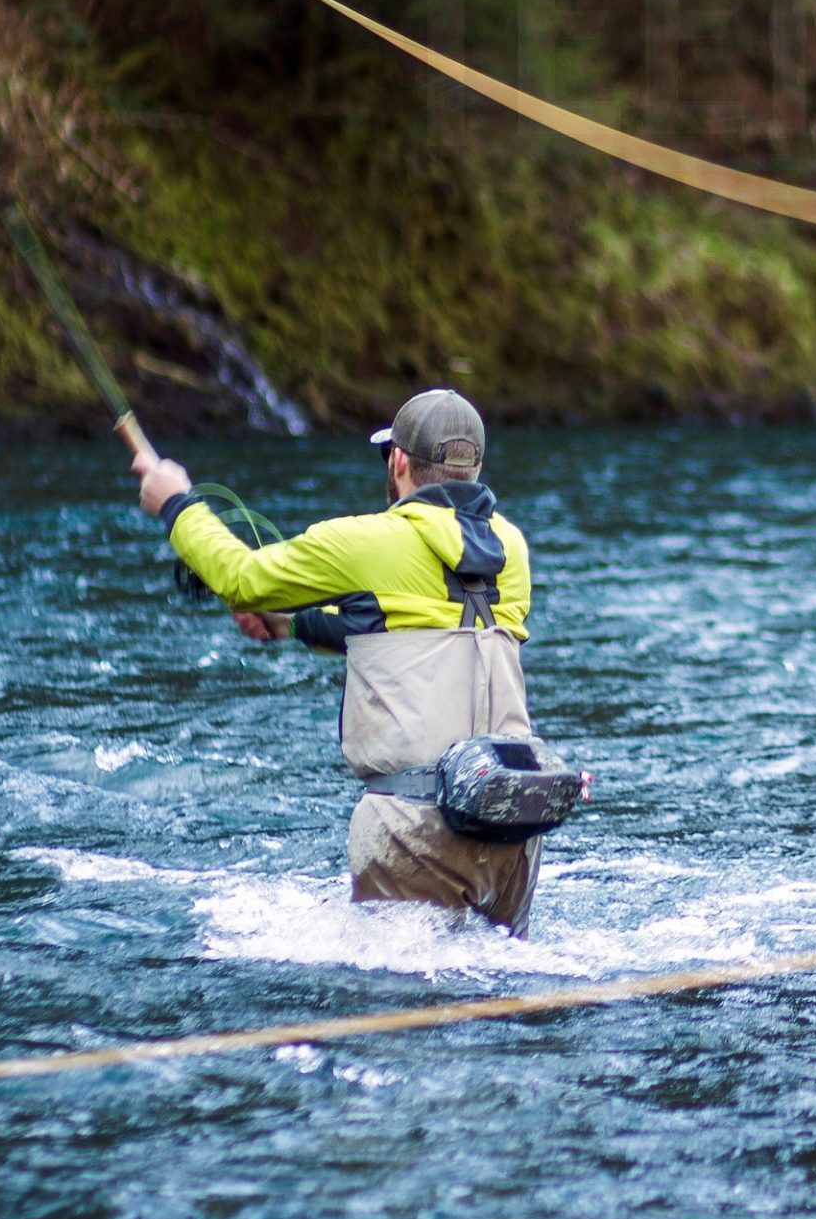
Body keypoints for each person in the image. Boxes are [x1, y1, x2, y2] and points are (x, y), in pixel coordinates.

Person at [133, 389, 544, 934]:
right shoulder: (512, 549)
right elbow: (418, 626)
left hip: (413, 825)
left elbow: (241, 580)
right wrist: (294, 624)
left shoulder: (363, 540)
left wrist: (176, 503)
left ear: (398, 460)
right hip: (513, 825)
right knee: (497, 998)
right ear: (475, 468)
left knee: (401, 1001)